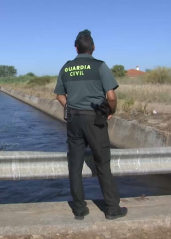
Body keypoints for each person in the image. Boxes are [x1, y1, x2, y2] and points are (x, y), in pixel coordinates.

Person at [54, 29, 127, 220]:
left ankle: (79, 209)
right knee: (102, 163)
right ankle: (112, 209)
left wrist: (69, 107)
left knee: (75, 165)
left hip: (74, 121)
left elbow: (59, 95)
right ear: (93, 48)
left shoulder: (66, 67)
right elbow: (111, 96)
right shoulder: (100, 66)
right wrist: (110, 111)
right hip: (95, 120)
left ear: (76, 48)